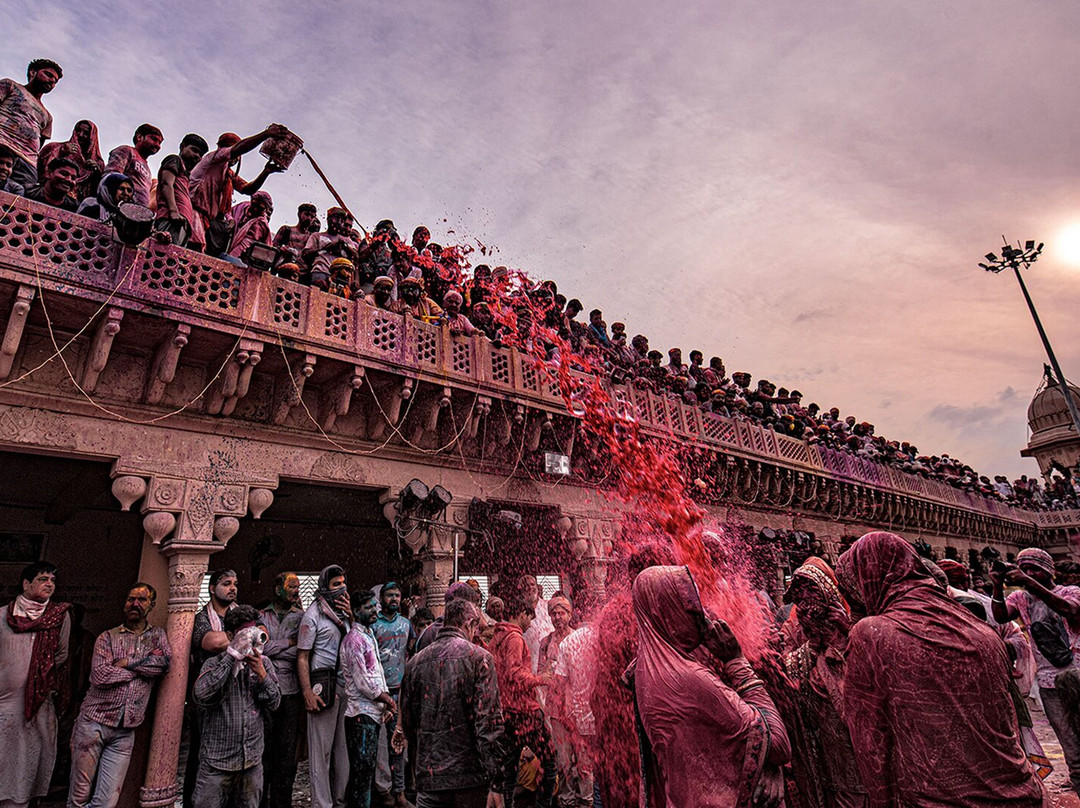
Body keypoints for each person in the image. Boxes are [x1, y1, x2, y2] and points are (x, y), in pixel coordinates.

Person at [838, 532, 1047, 807]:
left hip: (939, 800)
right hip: (1020, 793)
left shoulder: (872, 635)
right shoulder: (981, 631)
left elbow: (871, 743)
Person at [632, 565, 788, 808]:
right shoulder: (687, 679)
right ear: (669, 612)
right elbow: (778, 745)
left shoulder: (644, 666)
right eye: (691, 608)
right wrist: (735, 660)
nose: (702, 615)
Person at [67, 583, 170, 808]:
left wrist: (127, 664)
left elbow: (162, 665)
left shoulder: (158, 637)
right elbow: (100, 675)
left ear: (152, 605)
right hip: (94, 723)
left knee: (107, 800)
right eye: (130, 599)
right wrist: (142, 668)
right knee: (79, 795)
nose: (135, 604)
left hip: (126, 730)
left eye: (142, 600)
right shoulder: (107, 637)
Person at [398, 598, 506, 808]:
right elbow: (489, 725)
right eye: (476, 628)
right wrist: (497, 782)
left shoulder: (415, 663)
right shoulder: (479, 658)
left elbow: (409, 726)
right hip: (469, 778)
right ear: (469, 624)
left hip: (430, 779)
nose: (476, 635)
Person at [992, 546, 1080, 792]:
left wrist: (1028, 582)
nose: (1029, 573)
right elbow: (1000, 617)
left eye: (1034, 570)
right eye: (1024, 569)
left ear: (1048, 570)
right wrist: (998, 585)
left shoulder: (1070, 592)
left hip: (1077, 674)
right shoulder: (1020, 598)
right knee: (1071, 747)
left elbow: (1068, 609)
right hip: (1049, 684)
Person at [781, 559, 866, 808]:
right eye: (799, 595)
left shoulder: (860, 638)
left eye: (812, 590)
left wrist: (845, 636)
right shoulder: (803, 655)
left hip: (864, 775)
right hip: (828, 773)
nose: (805, 602)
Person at [192, 604, 281, 808]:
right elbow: (201, 694)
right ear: (231, 634)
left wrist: (262, 674)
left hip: (251, 761)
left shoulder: (263, 664)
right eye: (244, 634)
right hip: (217, 763)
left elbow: (275, 702)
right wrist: (231, 655)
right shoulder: (214, 663)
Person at [0, 561, 71, 808]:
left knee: (29, 761)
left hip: (38, 703)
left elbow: (60, 655)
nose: (49, 584)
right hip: (4, 703)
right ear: (26, 584)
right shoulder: (2, 615)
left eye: (52, 580)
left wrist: (36, 681)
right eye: (43, 579)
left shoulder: (59, 617)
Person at [490, 591, 556, 808]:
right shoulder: (515, 638)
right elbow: (514, 674)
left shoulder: (497, 636)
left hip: (507, 712)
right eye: (530, 616)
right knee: (550, 763)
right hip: (525, 713)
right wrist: (540, 679)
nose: (531, 623)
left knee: (510, 770)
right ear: (521, 614)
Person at [182, 568, 238, 808]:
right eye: (226, 583)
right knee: (202, 756)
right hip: (208, 699)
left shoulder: (240, 613)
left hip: (237, 697)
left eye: (235, 583)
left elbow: (260, 634)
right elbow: (211, 642)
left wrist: (236, 635)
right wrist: (242, 635)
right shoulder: (201, 618)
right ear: (212, 588)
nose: (233, 588)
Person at [299, 565, 353, 808]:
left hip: (346, 686)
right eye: (335, 585)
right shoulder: (313, 616)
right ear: (324, 587)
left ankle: (339, 800)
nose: (341, 588)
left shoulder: (346, 614)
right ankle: (321, 804)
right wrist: (307, 692)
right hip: (323, 686)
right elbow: (302, 657)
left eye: (343, 583)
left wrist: (351, 615)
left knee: (343, 749)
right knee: (321, 753)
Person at [189, 126, 287, 254]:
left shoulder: (228, 174)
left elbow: (248, 189)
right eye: (235, 153)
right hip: (194, 214)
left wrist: (266, 171)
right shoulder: (212, 159)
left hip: (211, 222)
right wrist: (266, 134)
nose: (236, 158)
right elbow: (236, 150)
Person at [340, 590, 397, 808]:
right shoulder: (354, 639)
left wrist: (384, 704)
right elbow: (363, 682)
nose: (374, 610)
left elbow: (377, 674)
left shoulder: (368, 635)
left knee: (366, 771)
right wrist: (388, 700)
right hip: (359, 714)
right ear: (355, 611)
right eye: (368, 607)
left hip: (372, 713)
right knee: (361, 772)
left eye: (374, 606)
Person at [259, 572, 304, 808]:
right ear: (278, 590)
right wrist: (287, 644)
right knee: (264, 749)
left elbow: (303, 652)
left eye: (298, 586)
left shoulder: (302, 618)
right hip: (265, 691)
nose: (296, 590)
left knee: (287, 752)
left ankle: (281, 802)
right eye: (291, 586)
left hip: (291, 692)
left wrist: (271, 648)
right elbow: (259, 649)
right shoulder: (262, 616)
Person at [371, 582, 415, 808]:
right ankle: (382, 790)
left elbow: (412, 653)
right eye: (390, 595)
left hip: (399, 693)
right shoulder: (373, 625)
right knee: (378, 747)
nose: (395, 599)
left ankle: (399, 791)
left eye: (397, 595)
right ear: (382, 598)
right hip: (377, 695)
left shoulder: (406, 624)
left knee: (398, 745)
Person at [551, 614, 598, 808]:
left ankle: (569, 801)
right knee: (588, 765)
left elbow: (559, 681)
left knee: (567, 765)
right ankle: (588, 802)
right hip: (594, 714)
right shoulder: (600, 638)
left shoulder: (568, 643)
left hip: (571, 713)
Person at [0, 59, 61, 188]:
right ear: (33, 72)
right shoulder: (10, 85)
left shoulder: (47, 116)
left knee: (21, 200)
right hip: (2, 145)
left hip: (27, 161)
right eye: (48, 75)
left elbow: (41, 142)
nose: (52, 81)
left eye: (55, 81)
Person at [155, 133, 210, 248]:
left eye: (201, 155)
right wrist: (173, 211)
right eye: (194, 150)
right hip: (171, 218)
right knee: (164, 254)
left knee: (173, 259)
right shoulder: (174, 160)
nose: (197, 156)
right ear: (182, 146)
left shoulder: (186, 175)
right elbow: (166, 183)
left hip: (181, 222)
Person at [36, 120, 103, 202]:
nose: (81, 135)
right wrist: (61, 152)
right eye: (78, 130)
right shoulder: (56, 147)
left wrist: (96, 171)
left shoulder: (98, 163)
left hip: (76, 205)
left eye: (86, 133)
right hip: (47, 196)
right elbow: (41, 168)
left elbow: (100, 191)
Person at [103, 124, 162, 206]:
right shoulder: (126, 151)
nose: (157, 145)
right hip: (120, 209)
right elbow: (111, 176)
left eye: (160, 142)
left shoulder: (148, 169)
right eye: (154, 139)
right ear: (139, 137)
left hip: (138, 213)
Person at [303, 208, 361, 290]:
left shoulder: (346, 240)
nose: (338, 222)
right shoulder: (317, 236)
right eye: (336, 218)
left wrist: (344, 245)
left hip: (340, 277)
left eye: (342, 220)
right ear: (328, 220)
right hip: (320, 272)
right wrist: (326, 248)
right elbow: (305, 254)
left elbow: (356, 256)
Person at [226, 190, 274, 263]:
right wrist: (230, 220)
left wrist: (229, 260)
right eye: (254, 204)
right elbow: (228, 211)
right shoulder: (243, 206)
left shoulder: (260, 224)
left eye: (260, 208)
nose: (255, 209)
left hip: (244, 260)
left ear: (266, 210)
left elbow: (244, 245)